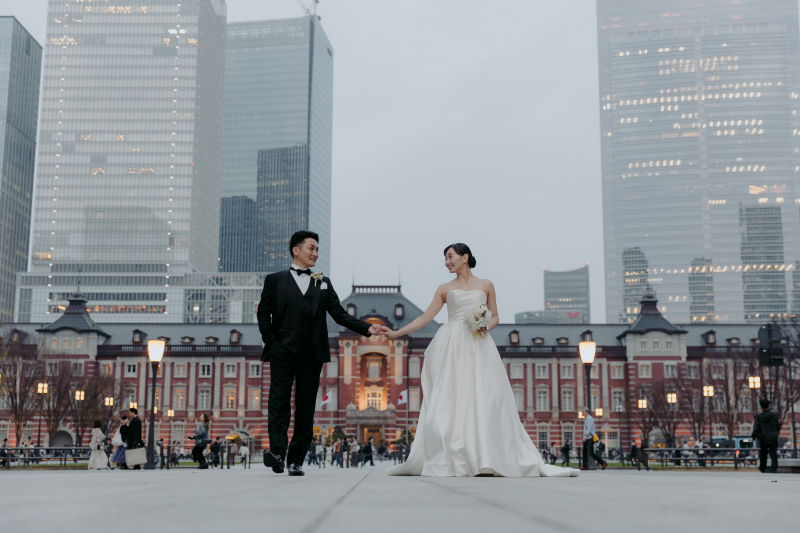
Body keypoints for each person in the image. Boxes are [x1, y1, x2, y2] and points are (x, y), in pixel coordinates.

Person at [386, 244, 578, 478]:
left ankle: (485, 458)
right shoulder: (444, 288)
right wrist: (396, 333)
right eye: (445, 258)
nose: (447, 262)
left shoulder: (486, 284)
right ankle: (453, 454)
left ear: (465, 257)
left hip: (478, 343)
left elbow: (495, 316)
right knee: (451, 397)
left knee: (484, 396)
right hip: (453, 344)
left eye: (450, 257)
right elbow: (426, 317)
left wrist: (485, 326)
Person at [258, 231, 391, 477]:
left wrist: (367, 328)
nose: (316, 253)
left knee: (306, 405)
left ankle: (295, 460)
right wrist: (272, 342)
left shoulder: (323, 282)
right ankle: (277, 453)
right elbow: (263, 313)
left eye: (317, 249)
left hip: (311, 352)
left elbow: (339, 314)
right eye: (311, 248)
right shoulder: (274, 280)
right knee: (278, 400)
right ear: (296, 250)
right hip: (282, 350)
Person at [752, 398, 779, 473]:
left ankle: (762, 467)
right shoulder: (774, 416)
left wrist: (753, 436)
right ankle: (774, 468)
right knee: (773, 453)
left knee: (763, 453)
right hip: (773, 438)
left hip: (763, 438)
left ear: (761, 407)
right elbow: (778, 426)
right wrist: (776, 433)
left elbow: (756, 427)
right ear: (768, 406)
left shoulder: (758, 417)